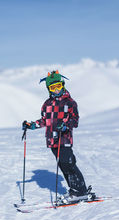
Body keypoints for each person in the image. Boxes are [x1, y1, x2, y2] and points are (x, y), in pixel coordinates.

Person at [22, 70, 93, 202]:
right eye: (52, 88)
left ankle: (81, 191)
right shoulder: (47, 104)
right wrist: (31, 125)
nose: (56, 90)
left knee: (69, 164)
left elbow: (75, 121)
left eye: (58, 86)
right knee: (62, 165)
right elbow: (44, 121)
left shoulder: (70, 103)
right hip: (52, 140)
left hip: (64, 139)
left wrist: (66, 125)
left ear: (63, 84)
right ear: (48, 89)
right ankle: (74, 190)